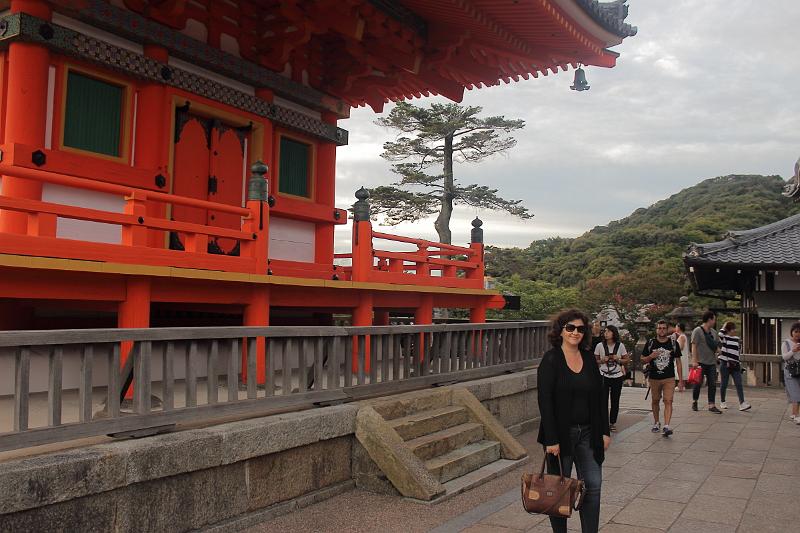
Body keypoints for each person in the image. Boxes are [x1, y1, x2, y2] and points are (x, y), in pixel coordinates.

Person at [538, 309, 610, 533]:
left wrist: (605, 431)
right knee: (559, 490)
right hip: (561, 435)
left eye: (580, 329)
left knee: (593, 486)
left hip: (589, 433)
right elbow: (545, 401)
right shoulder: (551, 359)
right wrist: (551, 439)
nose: (575, 332)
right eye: (570, 328)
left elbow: (599, 397)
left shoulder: (588, 358)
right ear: (560, 330)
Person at [641, 320, 682, 436]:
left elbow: (678, 362)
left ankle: (666, 425)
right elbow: (642, 359)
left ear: (667, 329)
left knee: (668, 400)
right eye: (659, 328)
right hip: (654, 377)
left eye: (664, 328)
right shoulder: (651, 343)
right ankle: (656, 422)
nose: (662, 330)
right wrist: (650, 356)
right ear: (656, 330)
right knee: (655, 400)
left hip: (669, 377)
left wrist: (681, 381)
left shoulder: (673, 343)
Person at [594, 325, 629, 432]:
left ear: (614, 333)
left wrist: (618, 359)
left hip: (617, 375)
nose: (606, 333)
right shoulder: (600, 345)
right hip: (603, 375)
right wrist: (602, 360)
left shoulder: (620, 346)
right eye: (605, 331)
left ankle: (612, 422)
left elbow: (626, 360)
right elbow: (594, 361)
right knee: (602, 400)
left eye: (608, 331)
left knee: (615, 400)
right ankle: (603, 423)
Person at [690, 311, 722, 414]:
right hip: (700, 362)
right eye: (714, 319)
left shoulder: (713, 332)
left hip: (711, 362)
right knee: (698, 383)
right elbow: (694, 345)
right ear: (709, 319)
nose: (714, 321)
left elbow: (716, 345)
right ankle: (695, 401)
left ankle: (711, 405)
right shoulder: (697, 331)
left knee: (712, 383)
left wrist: (719, 351)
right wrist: (694, 360)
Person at [718, 321, 751, 411]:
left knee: (739, 384)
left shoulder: (737, 339)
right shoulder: (724, 338)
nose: (734, 330)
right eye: (732, 329)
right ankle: (722, 401)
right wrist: (725, 324)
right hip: (725, 363)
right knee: (724, 384)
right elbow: (720, 333)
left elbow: (737, 353)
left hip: (735, 364)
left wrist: (739, 364)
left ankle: (742, 403)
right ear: (728, 330)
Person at [782, 321, 800, 424]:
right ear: (792, 332)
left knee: (797, 393)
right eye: (796, 331)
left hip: (799, 370)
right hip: (790, 372)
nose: (798, 334)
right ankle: (797, 416)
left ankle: (794, 414)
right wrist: (793, 350)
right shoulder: (786, 343)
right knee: (795, 393)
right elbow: (784, 357)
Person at [673, 323, 688, 392]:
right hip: (682, 355)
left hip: (681, 355)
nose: (675, 328)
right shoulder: (682, 336)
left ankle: (681, 385)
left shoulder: (681, 336)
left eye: (676, 327)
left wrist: (674, 348)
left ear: (679, 328)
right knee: (682, 369)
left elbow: (681, 347)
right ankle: (681, 385)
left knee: (680, 368)